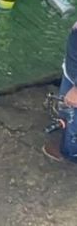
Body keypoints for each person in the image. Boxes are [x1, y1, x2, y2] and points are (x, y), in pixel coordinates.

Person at [42, 21, 77, 163]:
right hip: (72, 73)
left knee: (74, 121)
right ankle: (65, 124)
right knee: (66, 109)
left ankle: (71, 152)